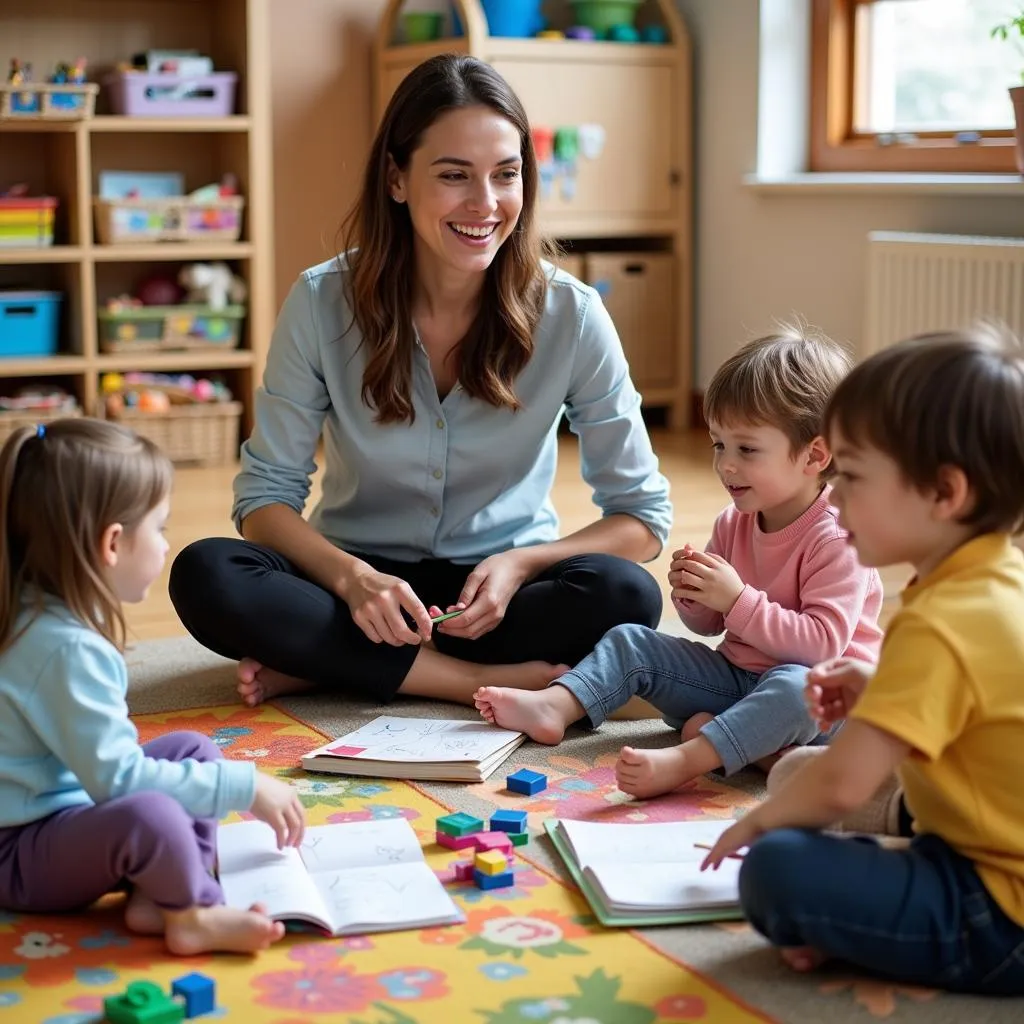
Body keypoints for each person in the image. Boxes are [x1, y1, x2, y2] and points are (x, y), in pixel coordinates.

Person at [168, 54, 670, 710]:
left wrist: (525, 564)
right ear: (397, 179)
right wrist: (350, 582)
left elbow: (643, 517)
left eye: (506, 175)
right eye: (455, 175)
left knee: (627, 595)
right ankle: (461, 681)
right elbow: (264, 499)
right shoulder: (322, 303)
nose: (485, 204)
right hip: (354, 584)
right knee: (207, 574)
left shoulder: (572, 314)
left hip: (498, 595)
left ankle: (335, 665)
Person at [702, 326, 1024, 995]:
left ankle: (865, 929)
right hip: (981, 820)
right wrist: (882, 683)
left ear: (944, 492)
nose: (836, 498)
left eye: (851, 476)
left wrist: (751, 825)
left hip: (998, 911)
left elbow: (845, 788)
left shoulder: (940, 620)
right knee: (794, 769)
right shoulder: (994, 579)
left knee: (776, 866)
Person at [476, 326, 884, 798]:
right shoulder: (735, 521)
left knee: (796, 689)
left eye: (746, 449)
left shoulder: (838, 536)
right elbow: (709, 626)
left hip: (822, 702)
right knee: (632, 641)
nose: (725, 465)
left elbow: (820, 649)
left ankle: (694, 755)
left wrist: (736, 598)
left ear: (814, 455)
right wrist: (693, 596)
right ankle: (557, 705)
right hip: (740, 680)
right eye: (718, 445)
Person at [0, 420, 305, 955]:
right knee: (154, 813)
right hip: (18, 853)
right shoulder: (66, 649)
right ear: (112, 543)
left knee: (195, 750)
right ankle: (191, 914)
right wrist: (247, 788)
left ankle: (158, 896)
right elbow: (117, 783)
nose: (166, 545)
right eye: (159, 529)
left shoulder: (35, 614)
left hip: (51, 814)